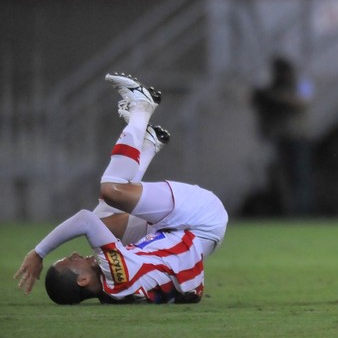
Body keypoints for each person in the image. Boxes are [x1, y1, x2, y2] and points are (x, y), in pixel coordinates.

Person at [14, 73, 229, 304]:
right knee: (111, 191)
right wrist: (39, 253)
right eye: (70, 261)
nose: (75, 254)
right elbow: (84, 221)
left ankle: (148, 142)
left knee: (105, 218)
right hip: (202, 219)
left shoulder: (113, 292)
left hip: (185, 236)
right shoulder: (116, 273)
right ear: (83, 281)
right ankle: (141, 107)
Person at [250, 56, 314, 216]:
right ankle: (286, 211)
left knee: (300, 176)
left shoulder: (301, 84)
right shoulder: (273, 86)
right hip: (280, 137)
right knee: (282, 177)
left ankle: (303, 212)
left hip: (298, 137)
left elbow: (302, 102)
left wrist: (279, 97)